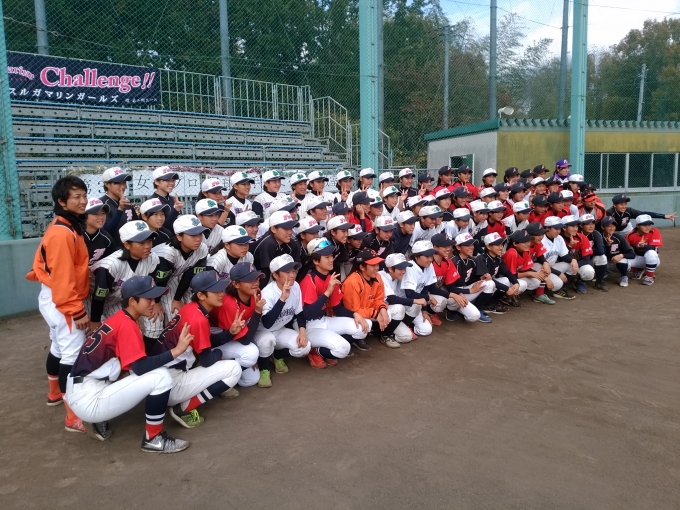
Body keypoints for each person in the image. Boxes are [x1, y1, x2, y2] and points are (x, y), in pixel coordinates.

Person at [65, 276, 190, 452]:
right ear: (132, 301)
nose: (153, 303)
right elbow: (140, 367)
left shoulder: (117, 319)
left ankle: (97, 419)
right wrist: (177, 351)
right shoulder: (126, 325)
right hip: (89, 397)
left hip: (79, 388)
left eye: (154, 298)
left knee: (133, 371)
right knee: (161, 377)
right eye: (148, 299)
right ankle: (154, 439)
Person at [27, 176, 90, 432]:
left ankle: (54, 393)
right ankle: (73, 416)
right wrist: (77, 310)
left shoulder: (66, 225)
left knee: (58, 346)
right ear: (62, 201)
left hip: (54, 296)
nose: (83, 201)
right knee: (71, 354)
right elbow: (63, 279)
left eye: (84, 195)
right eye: (76, 197)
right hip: (63, 300)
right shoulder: (62, 232)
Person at [149, 271, 243, 427]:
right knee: (234, 369)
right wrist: (220, 354)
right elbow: (207, 361)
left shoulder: (191, 308)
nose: (221, 293)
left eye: (221, 289)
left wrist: (230, 333)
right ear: (201, 295)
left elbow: (206, 341)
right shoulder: (198, 319)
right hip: (169, 385)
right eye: (216, 291)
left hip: (157, 379)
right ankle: (184, 408)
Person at [89, 221, 163, 350]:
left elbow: (150, 286)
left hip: (122, 299)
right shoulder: (110, 266)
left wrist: (155, 302)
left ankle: (146, 357)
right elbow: (99, 297)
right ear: (127, 245)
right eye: (141, 243)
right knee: (107, 336)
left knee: (154, 321)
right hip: (95, 301)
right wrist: (95, 321)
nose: (147, 246)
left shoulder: (152, 259)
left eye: (149, 241)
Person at [299, 238, 367, 352]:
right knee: (343, 348)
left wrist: (355, 314)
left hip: (324, 319)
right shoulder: (308, 280)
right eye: (327, 257)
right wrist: (327, 293)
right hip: (309, 326)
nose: (331, 260)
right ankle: (316, 351)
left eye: (331, 256)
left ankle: (324, 343)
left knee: (364, 326)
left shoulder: (330, 278)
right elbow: (308, 314)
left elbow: (337, 308)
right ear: (315, 261)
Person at [209, 262, 267, 388]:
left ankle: (231, 365)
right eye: (250, 280)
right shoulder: (229, 304)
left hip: (234, 333)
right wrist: (257, 312)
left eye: (257, 278)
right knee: (251, 353)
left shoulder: (255, 293)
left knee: (251, 379)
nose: (255, 283)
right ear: (235, 284)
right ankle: (217, 366)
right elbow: (245, 341)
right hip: (216, 338)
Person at [259, 255, 320, 372]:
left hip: (279, 330)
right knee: (268, 341)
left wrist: (302, 333)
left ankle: (276, 355)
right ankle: (263, 369)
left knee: (305, 347)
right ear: (275, 275)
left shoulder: (295, 286)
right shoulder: (267, 293)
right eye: (287, 272)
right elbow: (267, 323)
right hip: (262, 332)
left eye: (293, 271)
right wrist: (282, 299)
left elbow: (299, 312)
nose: (292, 275)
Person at [152, 215, 209, 332]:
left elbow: (190, 275)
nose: (198, 238)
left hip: (172, 277)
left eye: (200, 234)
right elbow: (160, 281)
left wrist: (177, 298)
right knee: (156, 320)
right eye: (193, 235)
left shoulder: (202, 248)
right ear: (179, 236)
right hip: (151, 282)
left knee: (183, 311)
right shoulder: (167, 253)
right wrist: (156, 302)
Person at [341, 249, 402, 349]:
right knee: (366, 324)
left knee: (389, 312)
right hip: (350, 316)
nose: (377, 268)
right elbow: (353, 311)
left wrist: (382, 308)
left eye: (377, 264)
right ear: (362, 267)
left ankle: (380, 334)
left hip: (367, 310)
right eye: (373, 265)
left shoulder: (377, 277)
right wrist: (375, 314)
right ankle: (353, 339)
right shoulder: (352, 282)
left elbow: (379, 299)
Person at [429, 234, 486, 323]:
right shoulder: (428, 262)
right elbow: (430, 288)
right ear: (435, 247)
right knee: (441, 301)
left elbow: (450, 286)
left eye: (449, 246)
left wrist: (459, 293)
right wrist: (457, 294)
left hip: (440, 291)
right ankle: (428, 312)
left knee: (474, 315)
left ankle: (452, 311)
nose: (448, 249)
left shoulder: (447, 262)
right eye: (444, 246)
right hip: (426, 293)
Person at [502, 226, 557, 305]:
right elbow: (511, 275)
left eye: (528, 241)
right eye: (524, 242)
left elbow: (526, 269)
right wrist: (529, 274)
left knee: (536, 281)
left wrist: (543, 277)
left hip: (512, 278)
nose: (528, 244)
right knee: (523, 284)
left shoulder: (525, 251)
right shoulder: (512, 253)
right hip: (503, 279)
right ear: (515, 243)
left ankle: (536, 294)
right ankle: (504, 297)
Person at [450, 233, 496, 322]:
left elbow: (471, 280)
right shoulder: (453, 262)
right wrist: (469, 291)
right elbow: (449, 287)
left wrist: (481, 278)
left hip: (466, 291)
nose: (471, 247)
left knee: (489, 283)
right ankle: (450, 310)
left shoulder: (472, 260)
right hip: (453, 295)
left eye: (472, 244)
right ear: (458, 247)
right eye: (467, 245)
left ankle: (478, 308)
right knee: (473, 316)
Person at [379, 253, 425, 343]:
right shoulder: (381, 276)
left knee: (406, 336)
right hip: (376, 311)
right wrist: (415, 300)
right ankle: (385, 335)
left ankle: (394, 327)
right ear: (390, 269)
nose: (404, 271)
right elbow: (391, 299)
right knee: (399, 308)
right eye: (400, 268)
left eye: (404, 268)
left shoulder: (396, 277)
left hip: (388, 310)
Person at [477, 232, 524, 310]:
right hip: (476, 289)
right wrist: (507, 289)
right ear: (488, 246)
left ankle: (490, 304)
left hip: (488, 287)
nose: (501, 247)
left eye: (502, 244)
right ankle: (480, 306)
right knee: (490, 283)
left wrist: (516, 283)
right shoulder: (481, 258)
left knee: (506, 280)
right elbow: (487, 280)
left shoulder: (497, 258)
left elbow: (507, 273)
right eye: (497, 245)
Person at [251, 210, 301, 282]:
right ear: (273, 229)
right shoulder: (268, 243)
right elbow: (266, 274)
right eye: (286, 228)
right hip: (257, 274)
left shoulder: (291, 243)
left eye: (291, 228)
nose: (290, 232)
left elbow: (295, 268)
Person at [541, 216, 578, 300]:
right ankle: (538, 290)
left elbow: (564, 255)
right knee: (558, 284)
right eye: (556, 228)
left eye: (559, 228)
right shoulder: (541, 240)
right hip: (540, 268)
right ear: (547, 228)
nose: (558, 231)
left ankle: (562, 290)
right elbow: (540, 262)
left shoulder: (559, 238)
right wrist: (558, 273)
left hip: (551, 267)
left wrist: (573, 260)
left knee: (572, 266)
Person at [99, 166, 138, 244]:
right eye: (118, 183)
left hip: (130, 247)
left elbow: (136, 223)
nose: (123, 186)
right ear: (106, 184)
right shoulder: (101, 204)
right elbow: (105, 232)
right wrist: (120, 209)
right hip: (112, 248)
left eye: (124, 182)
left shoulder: (127, 203)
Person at [605, 194, 676, 234]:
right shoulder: (609, 213)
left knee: (635, 240)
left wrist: (664, 216)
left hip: (626, 229)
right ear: (614, 205)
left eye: (625, 204)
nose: (624, 206)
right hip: (613, 231)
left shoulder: (629, 211)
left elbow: (644, 213)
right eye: (621, 204)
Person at [559, 215, 595, 294]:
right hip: (562, 264)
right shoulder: (559, 238)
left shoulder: (582, 237)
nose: (575, 229)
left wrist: (575, 265)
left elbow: (586, 259)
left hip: (578, 264)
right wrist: (569, 246)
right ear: (564, 228)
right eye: (572, 226)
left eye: (576, 226)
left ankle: (579, 282)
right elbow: (559, 258)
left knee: (589, 272)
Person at [626, 214, 663, 285]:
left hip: (653, 260)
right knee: (620, 262)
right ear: (637, 225)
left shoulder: (654, 231)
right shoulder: (630, 235)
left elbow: (652, 248)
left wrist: (642, 246)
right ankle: (638, 270)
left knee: (651, 253)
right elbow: (625, 249)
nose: (647, 227)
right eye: (644, 225)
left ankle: (649, 276)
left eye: (649, 225)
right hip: (637, 258)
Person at [600, 215, 636, 287]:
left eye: (613, 226)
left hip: (618, 263)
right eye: (609, 226)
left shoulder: (619, 238)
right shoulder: (599, 237)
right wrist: (607, 245)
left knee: (622, 260)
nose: (612, 228)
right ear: (602, 227)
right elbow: (598, 253)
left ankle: (624, 276)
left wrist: (621, 255)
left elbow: (632, 254)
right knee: (599, 257)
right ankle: (603, 273)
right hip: (606, 263)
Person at [579, 213, 609, 292]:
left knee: (602, 257)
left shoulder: (595, 233)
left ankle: (599, 282)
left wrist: (587, 251)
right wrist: (591, 251)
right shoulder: (577, 235)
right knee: (586, 271)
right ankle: (579, 282)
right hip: (579, 260)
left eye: (593, 223)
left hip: (589, 259)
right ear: (581, 225)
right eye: (588, 224)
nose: (591, 226)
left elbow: (601, 250)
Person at [149, 166, 184, 232]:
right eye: (167, 180)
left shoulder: (173, 199)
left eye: (173, 180)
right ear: (157, 182)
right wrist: (176, 211)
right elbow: (161, 227)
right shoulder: (152, 202)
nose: (171, 183)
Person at [83, 198, 115, 265]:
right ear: (85, 216)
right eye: (96, 213)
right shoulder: (75, 235)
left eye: (103, 213)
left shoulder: (107, 239)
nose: (101, 217)